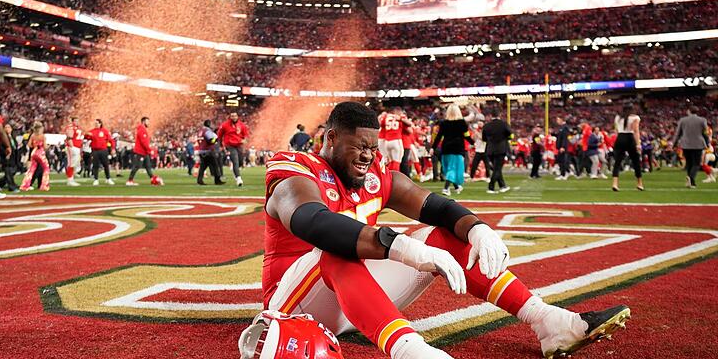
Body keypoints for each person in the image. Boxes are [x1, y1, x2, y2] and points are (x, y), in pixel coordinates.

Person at [256, 102, 630, 359]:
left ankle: (548, 322)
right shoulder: (295, 168)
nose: (369, 157)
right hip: (291, 307)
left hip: (346, 303)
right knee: (340, 244)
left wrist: (477, 228)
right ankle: (412, 352)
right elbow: (313, 222)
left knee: (438, 234)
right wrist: (398, 246)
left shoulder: (375, 177)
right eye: (360, 147)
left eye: (373, 148)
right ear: (332, 138)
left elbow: (437, 206)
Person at [431, 105, 474, 195]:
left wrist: (433, 147)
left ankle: (456, 186)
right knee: (454, 169)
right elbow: (466, 135)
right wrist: (473, 142)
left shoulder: (443, 123)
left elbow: (439, 137)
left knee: (449, 168)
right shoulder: (462, 123)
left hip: (446, 148)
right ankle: (446, 188)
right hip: (457, 149)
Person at [674, 106, 709, 188]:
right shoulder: (702, 120)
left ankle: (690, 182)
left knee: (689, 163)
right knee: (696, 163)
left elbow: (678, 133)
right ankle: (691, 178)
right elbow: (705, 132)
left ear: (689, 111)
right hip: (698, 144)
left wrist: (674, 143)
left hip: (686, 144)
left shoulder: (683, 120)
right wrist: (707, 142)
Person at [611, 103, 644, 192]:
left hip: (620, 138)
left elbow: (616, 130)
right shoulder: (635, 118)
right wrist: (638, 144)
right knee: (636, 161)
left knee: (617, 162)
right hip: (630, 138)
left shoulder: (618, 117)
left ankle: (615, 183)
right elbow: (636, 131)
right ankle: (639, 183)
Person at [482, 107, 512, 194]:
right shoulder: (504, 124)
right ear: (499, 115)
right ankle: (491, 187)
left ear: (491, 115)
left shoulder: (487, 126)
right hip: (501, 149)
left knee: (496, 168)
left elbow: (484, 139)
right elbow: (510, 134)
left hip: (490, 149)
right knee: (497, 169)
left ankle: (502, 186)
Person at [127, 117, 162, 186]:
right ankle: (130, 180)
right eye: (147, 121)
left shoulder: (142, 129)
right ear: (143, 122)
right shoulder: (142, 130)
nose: (148, 123)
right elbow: (144, 142)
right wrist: (149, 150)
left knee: (148, 166)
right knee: (137, 166)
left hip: (144, 152)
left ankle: (152, 178)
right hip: (141, 151)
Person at [217, 112, 249, 187]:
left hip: (239, 145)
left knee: (240, 161)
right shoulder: (225, 125)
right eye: (232, 116)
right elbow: (219, 135)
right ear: (230, 117)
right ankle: (238, 178)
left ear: (237, 116)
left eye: (235, 116)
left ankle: (236, 171)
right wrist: (221, 145)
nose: (234, 117)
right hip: (230, 145)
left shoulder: (242, 125)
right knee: (235, 161)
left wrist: (245, 140)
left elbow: (246, 135)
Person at [19, 121, 50, 191]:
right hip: (40, 153)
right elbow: (45, 147)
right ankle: (44, 186)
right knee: (46, 168)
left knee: (31, 170)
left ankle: (25, 185)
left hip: (34, 152)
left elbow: (29, 145)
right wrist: (47, 146)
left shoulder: (33, 135)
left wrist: (34, 145)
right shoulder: (42, 136)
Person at [86, 119, 115, 186]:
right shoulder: (91, 131)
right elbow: (86, 137)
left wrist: (113, 149)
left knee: (106, 165)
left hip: (103, 150)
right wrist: (87, 135)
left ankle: (108, 178)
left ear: (100, 124)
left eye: (97, 123)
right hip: (95, 150)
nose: (96, 124)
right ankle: (96, 179)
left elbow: (111, 140)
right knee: (95, 165)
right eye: (95, 123)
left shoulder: (105, 131)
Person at [197, 120, 226, 186]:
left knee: (203, 166)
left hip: (201, 150)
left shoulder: (200, 131)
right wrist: (216, 140)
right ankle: (217, 180)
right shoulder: (207, 131)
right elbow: (210, 140)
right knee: (215, 165)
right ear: (209, 124)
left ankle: (199, 179)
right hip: (208, 151)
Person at [0, 123, 19, 192]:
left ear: (11, 129)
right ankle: (12, 186)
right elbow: (0, 147)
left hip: (13, 157)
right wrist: (6, 153)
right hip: (6, 157)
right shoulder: (2, 137)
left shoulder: (12, 137)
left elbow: (15, 147)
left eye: (9, 127)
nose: (7, 129)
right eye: (6, 127)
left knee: (12, 172)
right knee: (8, 171)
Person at [64, 117, 82, 186]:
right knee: (71, 164)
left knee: (75, 163)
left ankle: (71, 178)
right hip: (72, 147)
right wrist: (72, 146)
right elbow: (69, 137)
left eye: (78, 121)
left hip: (77, 147)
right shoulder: (71, 127)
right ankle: (70, 180)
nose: (77, 122)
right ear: (72, 121)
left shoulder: (78, 127)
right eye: (75, 121)